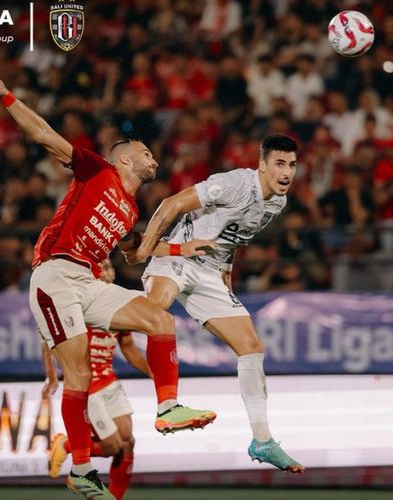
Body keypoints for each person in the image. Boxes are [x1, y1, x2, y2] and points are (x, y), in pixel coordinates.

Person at [0, 73, 217, 499]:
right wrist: (7, 96)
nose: (154, 160)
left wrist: (180, 250)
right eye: (147, 153)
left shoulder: (129, 208)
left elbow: (136, 253)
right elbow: (46, 136)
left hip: (87, 280)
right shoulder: (97, 171)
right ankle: (82, 469)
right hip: (55, 275)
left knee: (160, 320)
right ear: (124, 159)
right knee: (80, 371)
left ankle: (167, 408)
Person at [124, 134, 305, 473]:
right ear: (262, 166)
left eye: (292, 165)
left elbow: (232, 237)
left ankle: (262, 440)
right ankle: (166, 406)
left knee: (251, 348)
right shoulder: (234, 183)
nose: (287, 172)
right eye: (279, 163)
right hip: (178, 256)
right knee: (154, 311)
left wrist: (227, 271)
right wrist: (147, 247)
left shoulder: (276, 203)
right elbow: (171, 205)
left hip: (211, 272)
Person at [43, 259, 150, 500]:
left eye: (110, 266)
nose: (105, 270)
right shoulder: (81, 302)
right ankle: (66, 445)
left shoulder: (120, 303)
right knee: (113, 447)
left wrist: (155, 373)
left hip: (110, 382)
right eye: (100, 266)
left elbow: (129, 349)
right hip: (89, 386)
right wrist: (52, 375)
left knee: (128, 443)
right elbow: (48, 337)